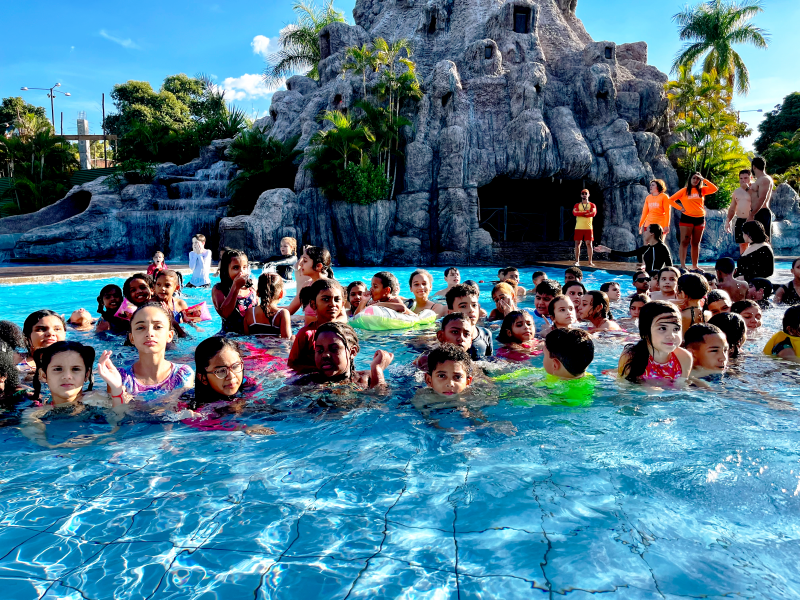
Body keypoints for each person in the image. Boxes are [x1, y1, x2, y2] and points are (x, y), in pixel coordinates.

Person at [24, 341, 127, 448]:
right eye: (58, 369)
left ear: (86, 375)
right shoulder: (34, 414)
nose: (67, 376)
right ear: (43, 375)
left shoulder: (99, 400)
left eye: (75, 369)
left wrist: (116, 389)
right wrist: (53, 447)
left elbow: (121, 421)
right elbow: (36, 437)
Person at [180, 337, 275, 435]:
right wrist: (238, 427)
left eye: (235, 366)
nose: (231, 376)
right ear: (203, 378)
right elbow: (195, 422)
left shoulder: (248, 385)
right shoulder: (191, 405)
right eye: (221, 371)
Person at [115, 303, 194, 396]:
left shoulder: (183, 374)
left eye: (158, 327)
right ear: (131, 338)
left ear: (169, 336)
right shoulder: (119, 377)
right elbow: (118, 410)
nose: (149, 333)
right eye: (140, 327)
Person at [295, 322, 393, 388]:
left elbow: (381, 402)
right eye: (319, 350)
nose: (325, 355)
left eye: (334, 349)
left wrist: (377, 369)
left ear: (352, 352)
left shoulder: (367, 377)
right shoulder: (305, 382)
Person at [618, 300, 693, 383]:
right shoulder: (630, 356)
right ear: (645, 332)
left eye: (676, 329)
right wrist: (645, 389)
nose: (672, 335)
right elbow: (623, 387)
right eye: (663, 328)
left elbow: (681, 387)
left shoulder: (684, 358)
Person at [288, 279, 345, 372]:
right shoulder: (306, 334)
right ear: (313, 304)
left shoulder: (345, 332)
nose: (333, 304)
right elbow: (292, 364)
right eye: (326, 299)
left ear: (342, 304)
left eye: (337, 299)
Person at [668, 172, 718, 270]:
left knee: (696, 243)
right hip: (687, 218)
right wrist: (680, 208)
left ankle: (695, 266)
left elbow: (714, 189)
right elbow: (670, 200)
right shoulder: (684, 190)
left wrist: (704, 179)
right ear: (690, 179)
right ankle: (683, 266)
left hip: (700, 218)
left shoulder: (702, 190)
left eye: (697, 179)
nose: (695, 180)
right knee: (684, 241)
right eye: (694, 178)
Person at [212, 249, 257, 335]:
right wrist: (235, 287)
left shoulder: (253, 286)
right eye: (236, 268)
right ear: (226, 269)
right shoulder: (219, 289)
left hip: (251, 336)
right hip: (230, 336)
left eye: (244, 267)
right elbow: (225, 314)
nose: (241, 272)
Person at [594, 224, 673, 273]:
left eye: (646, 230)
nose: (644, 232)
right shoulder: (647, 248)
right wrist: (607, 250)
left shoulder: (662, 247)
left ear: (652, 233)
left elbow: (670, 266)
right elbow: (628, 254)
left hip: (656, 280)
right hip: (647, 279)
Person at [445, 285, 493, 360]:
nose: (471, 310)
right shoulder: (447, 337)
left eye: (474, 305)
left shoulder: (486, 334)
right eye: (463, 306)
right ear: (451, 313)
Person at [287, 246, 333, 320]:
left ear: (318, 266)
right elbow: (289, 310)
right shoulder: (306, 285)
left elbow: (342, 317)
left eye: (305, 261)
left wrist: (304, 318)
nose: (301, 264)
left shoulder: (331, 288)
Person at [244, 272, 292, 337]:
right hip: (275, 347)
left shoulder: (250, 312)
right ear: (281, 294)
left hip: (255, 346)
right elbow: (287, 340)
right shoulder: (282, 313)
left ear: (258, 293)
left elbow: (246, 338)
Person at [20, 310, 67, 375]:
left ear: (65, 334)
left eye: (57, 329)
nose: (50, 333)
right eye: (41, 329)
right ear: (27, 337)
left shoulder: (78, 360)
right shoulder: (15, 361)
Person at [725, 169, 754, 254]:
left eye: (745, 178)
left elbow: (758, 200)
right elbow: (732, 208)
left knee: (754, 244)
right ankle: (743, 265)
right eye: (741, 178)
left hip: (752, 220)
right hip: (740, 219)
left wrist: (747, 189)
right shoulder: (737, 191)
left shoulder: (755, 189)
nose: (743, 180)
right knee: (742, 244)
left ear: (751, 177)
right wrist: (728, 221)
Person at [750, 156, 774, 240]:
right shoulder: (760, 179)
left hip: (761, 212)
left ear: (754, 167)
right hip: (758, 212)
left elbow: (761, 199)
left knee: (763, 240)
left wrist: (752, 214)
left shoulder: (764, 179)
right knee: (755, 240)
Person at [572, 190, 597, 266]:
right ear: (581, 195)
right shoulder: (577, 205)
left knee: (589, 244)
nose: (584, 195)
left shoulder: (592, 205)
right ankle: (577, 261)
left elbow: (593, 214)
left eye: (585, 194)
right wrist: (586, 212)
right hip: (579, 227)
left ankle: (590, 261)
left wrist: (581, 213)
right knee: (577, 244)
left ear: (588, 195)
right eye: (582, 194)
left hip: (588, 228)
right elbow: (574, 213)